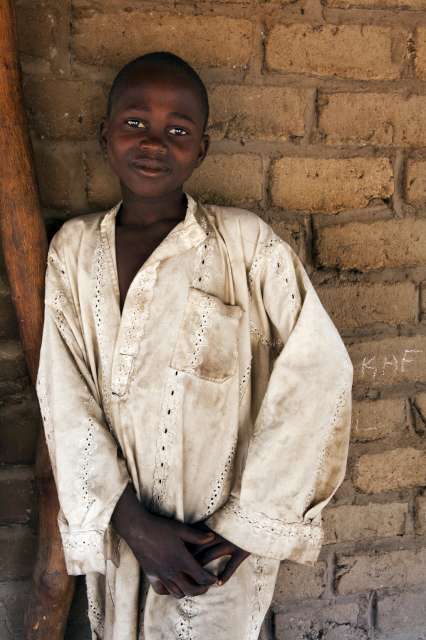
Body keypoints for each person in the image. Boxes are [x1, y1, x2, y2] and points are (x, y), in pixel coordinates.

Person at [35, 51, 353, 640]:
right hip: (124, 530)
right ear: (103, 135)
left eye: (178, 130)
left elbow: (320, 374)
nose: (154, 142)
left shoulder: (245, 245)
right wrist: (129, 520)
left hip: (218, 546)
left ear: (201, 149)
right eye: (135, 123)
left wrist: (247, 526)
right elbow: (64, 389)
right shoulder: (74, 253)